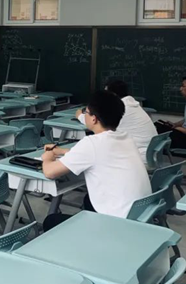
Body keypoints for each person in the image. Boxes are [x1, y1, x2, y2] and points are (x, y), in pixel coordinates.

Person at [40, 90, 151, 231]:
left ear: (94, 119)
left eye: (86, 112)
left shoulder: (91, 144)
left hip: (117, 225)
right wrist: (62, 151)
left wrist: (47, 158)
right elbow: (98, 154)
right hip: (139, 215)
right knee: (88, 200)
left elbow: (49, 172)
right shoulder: (125, 137)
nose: (84, 115)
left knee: (51, 221)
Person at [77, 80, 156, 163]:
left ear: (113, 95)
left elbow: (97, 122)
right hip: (149, 153)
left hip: (139, 157)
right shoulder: (132, 104)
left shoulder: (121, 108)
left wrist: (80, 115)